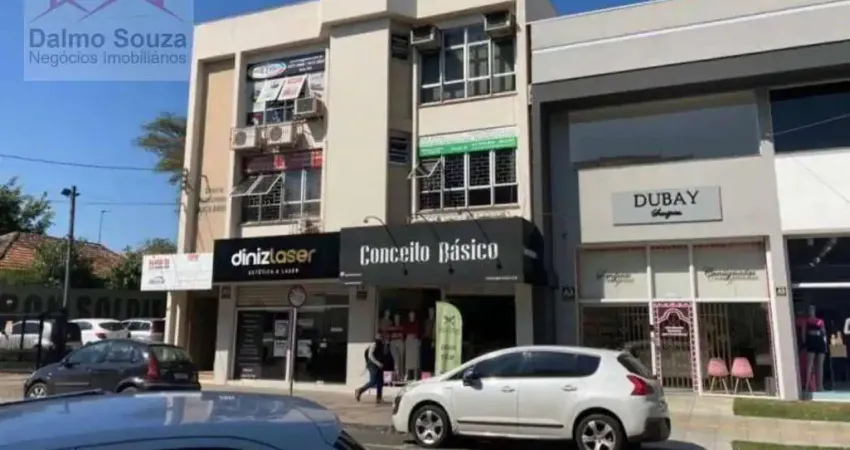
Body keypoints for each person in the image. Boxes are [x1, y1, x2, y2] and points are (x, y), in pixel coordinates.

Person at [355, 333, 386, 403]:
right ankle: (359, 390)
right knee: (373, 381)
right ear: (377, 337)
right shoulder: (374, 344)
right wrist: (378, 363)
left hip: (379, 365)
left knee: (380, 382)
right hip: (373, 365)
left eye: (382, 336)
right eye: (380, 336)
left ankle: (379, 398)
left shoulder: (381, 345)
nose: (381, 338)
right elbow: (370, 355)